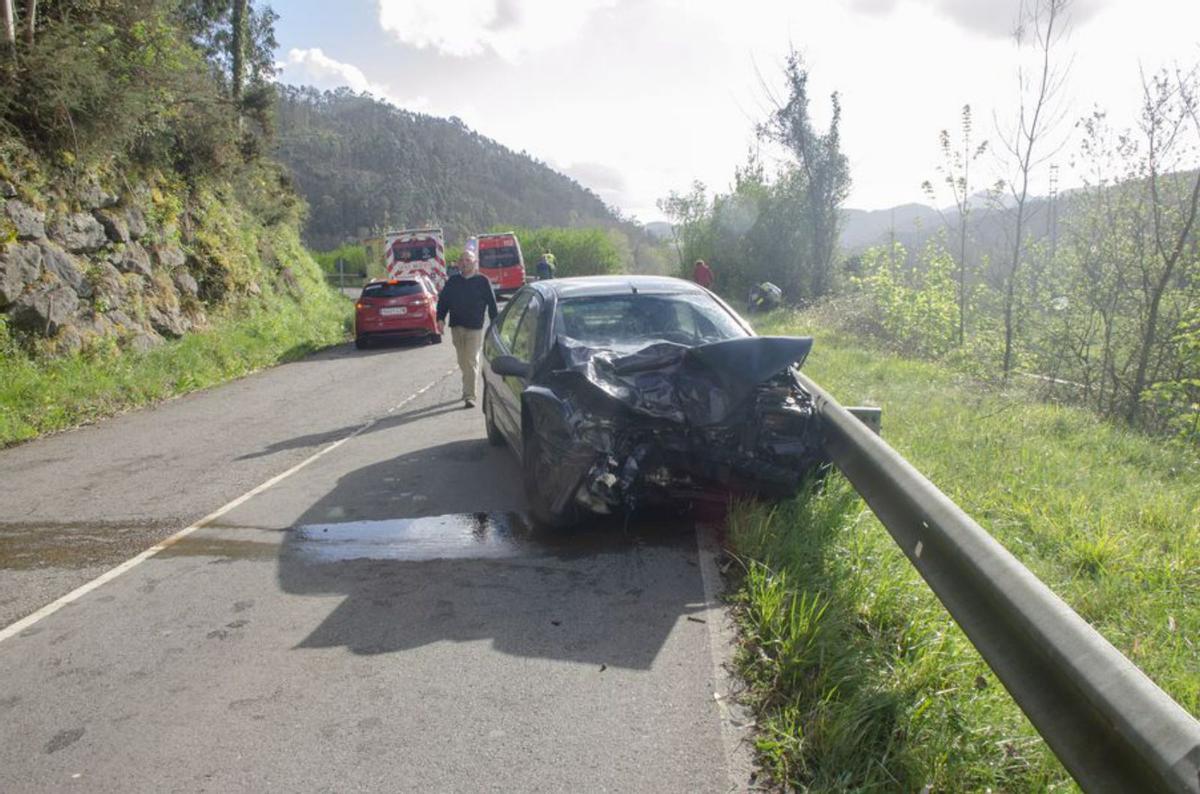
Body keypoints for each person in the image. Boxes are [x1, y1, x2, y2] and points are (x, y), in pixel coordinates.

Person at [437, 250, 498, 408]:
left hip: (474, 327)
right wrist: (440, 319)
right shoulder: (453, 281)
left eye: (468, 260)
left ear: (474, 262)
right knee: (463, 361)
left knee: (470, 360)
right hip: (457, 326)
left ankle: (469, 395)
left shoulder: (482, 281)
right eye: (462, 260)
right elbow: (443, 301)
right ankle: (468, 385)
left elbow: (492, 304)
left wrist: (495, 324)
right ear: (458, 263)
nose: (464, 263)